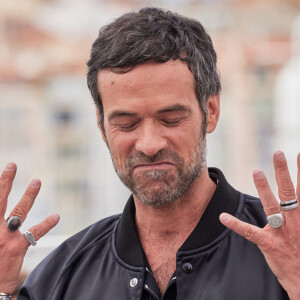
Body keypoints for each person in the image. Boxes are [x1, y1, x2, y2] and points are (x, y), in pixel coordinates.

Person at [0, 7, 299, 300]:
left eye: (171, 119)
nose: (149, 144)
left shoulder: (288, 248)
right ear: (101, 126)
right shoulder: (60, 278)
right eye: (126, 124)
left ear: (211, 110)